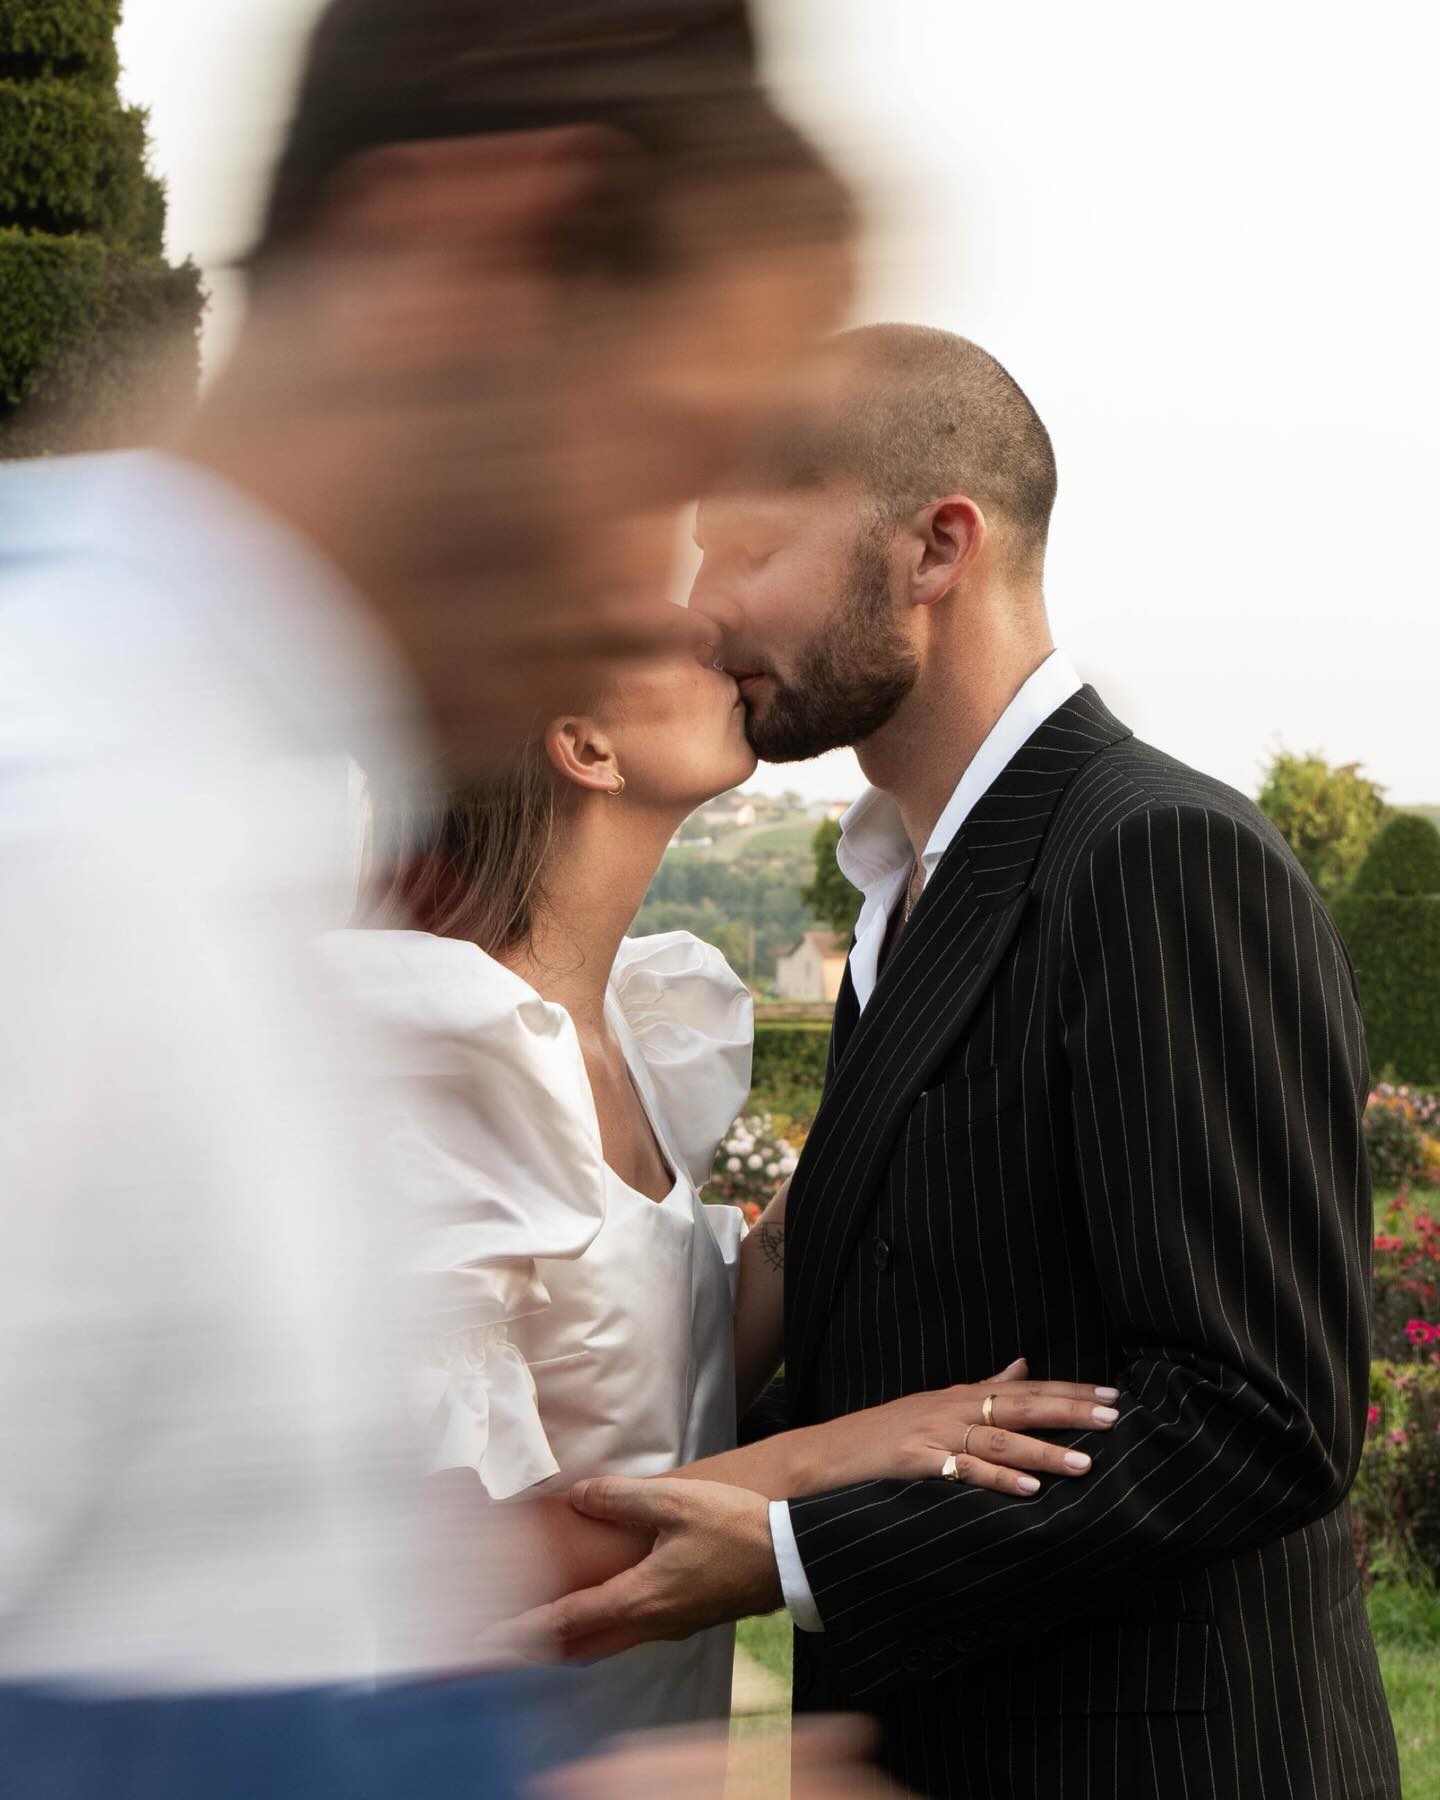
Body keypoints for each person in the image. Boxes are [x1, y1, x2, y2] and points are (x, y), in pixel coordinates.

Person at [0, 2, 859, 1793]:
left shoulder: (199, 832)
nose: (695, 602)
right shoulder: (66, 828)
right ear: (486, 257)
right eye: (667, 452)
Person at [503, 325, 1402, 1799]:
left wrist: (794, 1547)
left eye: (742, 551)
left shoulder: (1155, 855)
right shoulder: (904, 894)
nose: (704, 610)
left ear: (935, 549)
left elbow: (1264, 1418)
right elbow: (911, 1348)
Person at [333, 618, 1122, 1737]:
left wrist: (907, 1047)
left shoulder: (632, 1026)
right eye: (671, 635)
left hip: (647, 1727)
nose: (728, 640)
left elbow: (669, 1370)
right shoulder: (444, 1051)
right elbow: (440, 1562)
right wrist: (852, 1451)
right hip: (492, 1746)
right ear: (586, 747)